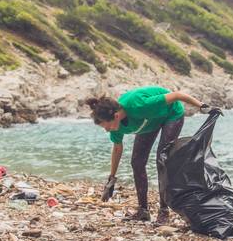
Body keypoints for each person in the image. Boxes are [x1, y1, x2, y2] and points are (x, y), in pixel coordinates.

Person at [87, 86, 210, 223]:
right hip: (149, 122)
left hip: (171, 114)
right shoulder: (115, 127)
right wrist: (111, 179)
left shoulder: (138, 105)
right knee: (137, 162)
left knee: (162, 160)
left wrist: (202, 106)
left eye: (107, 126)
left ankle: (164, 210)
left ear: (116, 116)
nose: (107, 130)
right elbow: (117, 149)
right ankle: (143, 211)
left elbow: (177, 95)